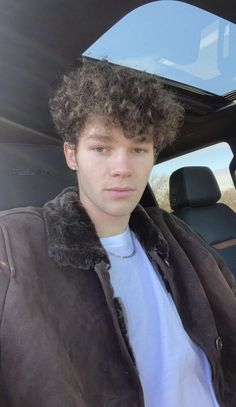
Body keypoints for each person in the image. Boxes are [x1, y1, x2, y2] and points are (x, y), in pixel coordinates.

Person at [0, 58, 235, 407]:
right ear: (71, 155)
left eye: (138, 149)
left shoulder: (180, 237)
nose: (122, 168)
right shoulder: (14, 247)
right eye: (101, 148)